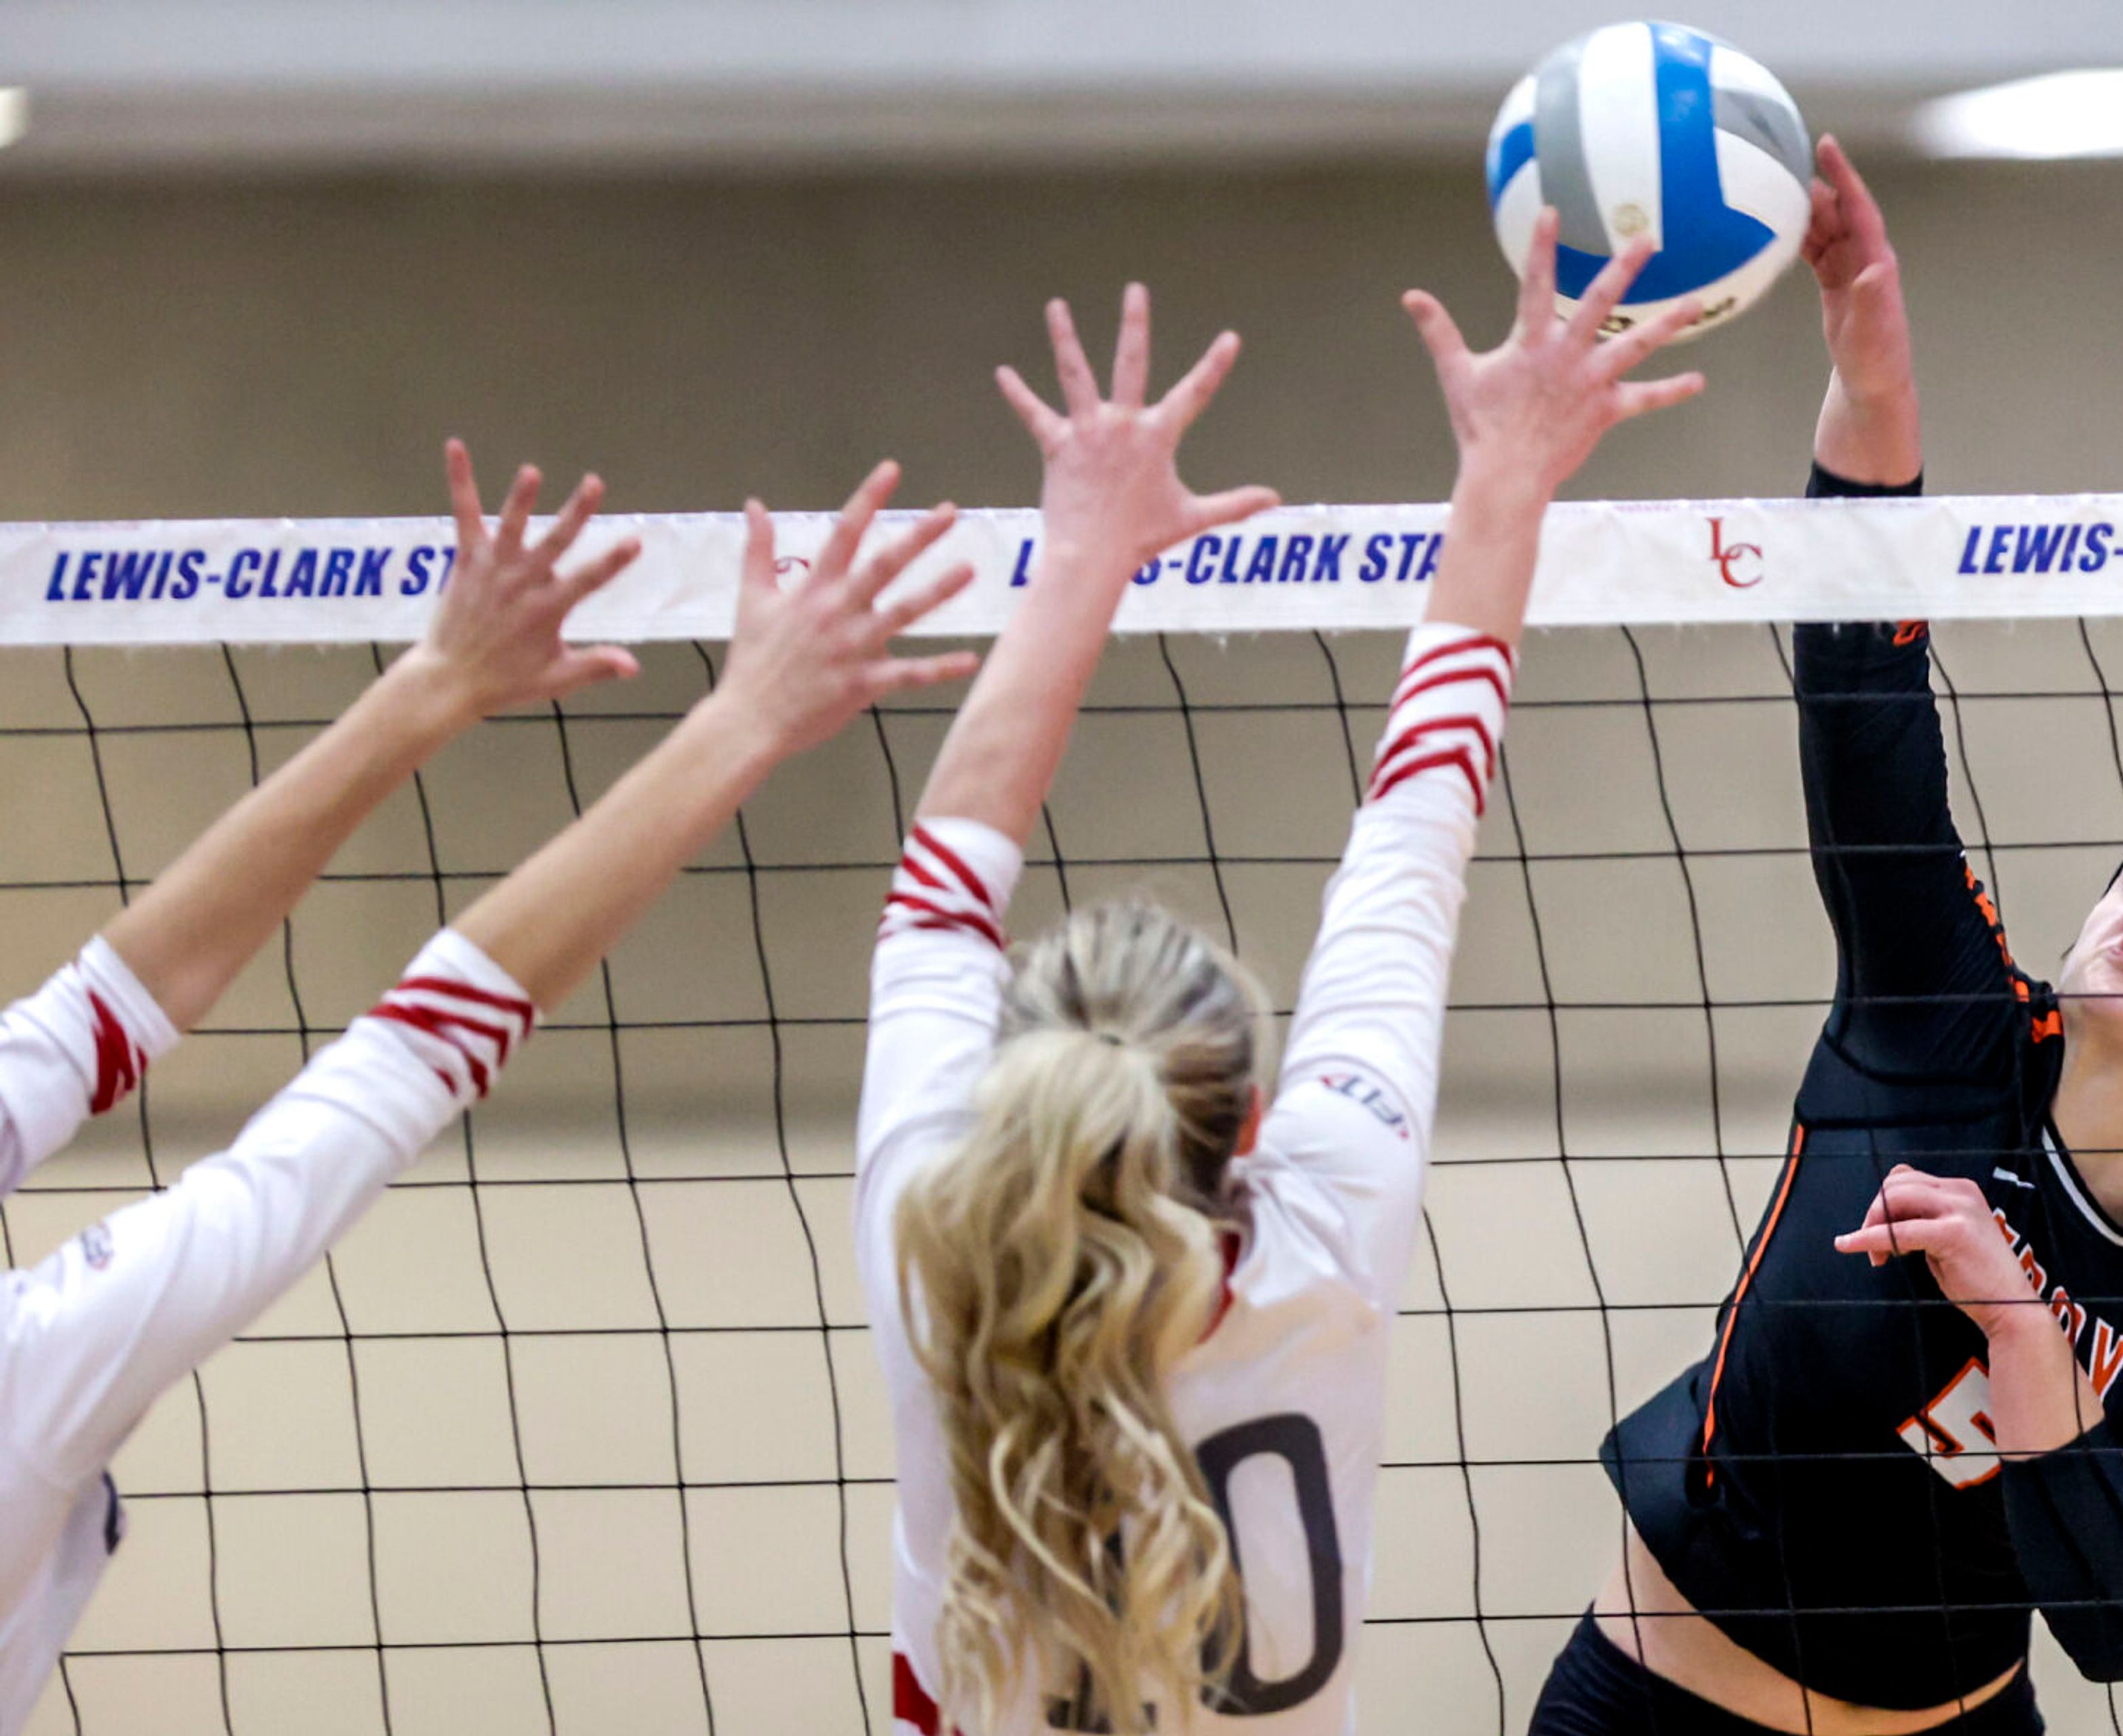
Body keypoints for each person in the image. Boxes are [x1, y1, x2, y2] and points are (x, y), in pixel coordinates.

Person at [855, 227, 1705, 1736]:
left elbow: (935, 888)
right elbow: (1416, 831)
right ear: (1251, 1123)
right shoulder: (1326, 1229)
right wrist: (1506, 472)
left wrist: (1084, 554)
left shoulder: (933, 1241)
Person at [0, 447, 977, 1733]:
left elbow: (103, 1011)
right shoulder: (30, 1378)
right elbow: (398, 1057)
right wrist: (743, 722)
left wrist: (435, 688)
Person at [1531, 138, 2123, 1736]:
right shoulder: (1942, 1013)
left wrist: (2024, 1324)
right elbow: (1861, 697)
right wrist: (1872, 385)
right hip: (1655, 1707)